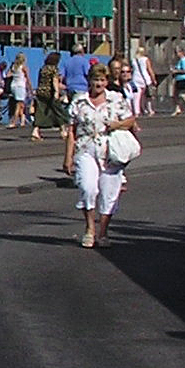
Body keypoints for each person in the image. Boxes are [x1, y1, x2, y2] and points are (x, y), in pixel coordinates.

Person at [67, 59, 138, 249]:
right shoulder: (79, 101)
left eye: (102, 80)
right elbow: (72, 130)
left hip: (110, 151)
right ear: (89, 80)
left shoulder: (116, 98)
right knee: (88, 187)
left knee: (109, 194)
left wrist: (117, 124)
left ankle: (103, 232)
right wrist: (68, 157)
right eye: (95, 80)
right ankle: (90, 228)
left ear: (107, 81)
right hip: (86, 149)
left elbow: (131, 120)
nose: (98, 84)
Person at [32, 49, 65, 144]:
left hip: (41, 91)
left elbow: (39, 79)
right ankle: (63, 130)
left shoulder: (43, 68)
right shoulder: (54, 69)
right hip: (50, 92)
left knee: (40, 111)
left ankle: (35, 130)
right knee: (58, 110)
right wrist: (56, 92)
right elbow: (55, 81)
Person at [8, 53, 31, 129]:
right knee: (19, 104)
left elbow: (8, 75)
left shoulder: (13, 67)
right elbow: (27, 78)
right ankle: (14, 122)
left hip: (14, 85)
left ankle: (22, 120)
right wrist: (30, 88)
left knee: (21, 104)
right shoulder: (24, 67)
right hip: (20, 86)